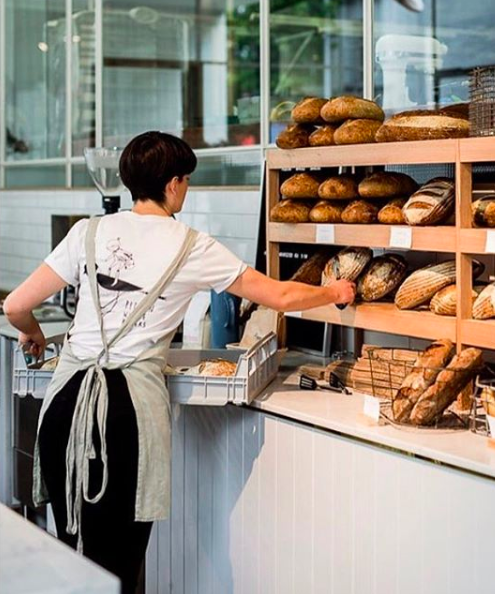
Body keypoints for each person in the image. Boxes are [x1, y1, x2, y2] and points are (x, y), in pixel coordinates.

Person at [3, 131, 355, 593]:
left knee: (73, 559)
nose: (186, 188)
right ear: (172, 184)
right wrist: (336, 292)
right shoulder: (193, 247)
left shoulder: (87, 231)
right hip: (122, 418)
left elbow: (14, 307)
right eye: (185, 180)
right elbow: (281, 294)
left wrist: (31, 333)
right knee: (118, 568)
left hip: (64, 407)